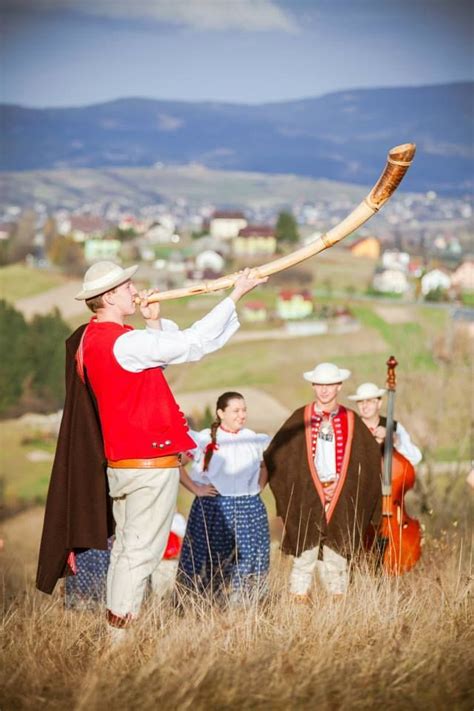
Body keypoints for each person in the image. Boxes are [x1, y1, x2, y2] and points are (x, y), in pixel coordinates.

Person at [36, 260, 266, 638]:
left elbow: (151, 362)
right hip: (148, 467)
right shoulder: (123, 342)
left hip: (125, 465)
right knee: (140, 554)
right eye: (126, 286)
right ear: (108, 296)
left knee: (127, 552)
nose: (134, 289)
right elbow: (192, 343)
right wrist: (235, 294)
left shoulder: (90, 340)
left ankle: (117, 631)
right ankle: (119, 638)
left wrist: (154, 322)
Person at [264, 362, 381, 600]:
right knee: (304, 558)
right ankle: (299, 611)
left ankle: (336, 613)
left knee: (337, 558)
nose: (324, 390)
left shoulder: (351, 420)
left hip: (342, 497)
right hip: (308, 496)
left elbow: (368, 460)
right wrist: (297, 488)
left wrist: (347, 488)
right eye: (319, 385)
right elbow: (278, 454)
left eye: (329, 385)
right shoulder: (300, 417)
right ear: (313, 386)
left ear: (338, 386)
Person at [177, 392, 270, 603]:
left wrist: (259, 487)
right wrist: (196, 489)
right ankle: (202, 606)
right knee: (209, 561)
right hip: (213, 507)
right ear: (221, 413)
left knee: (251, 559)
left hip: (250, 508)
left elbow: (265, 466)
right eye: (236, 410)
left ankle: (245, 608)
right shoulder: (203, 439)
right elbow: (176, 464)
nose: (242, 415)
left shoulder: (253, 438)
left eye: (244, 410)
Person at [348, 382, 422, 466]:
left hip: (389, 478)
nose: (364, 406)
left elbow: (416, 458)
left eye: (369, 401)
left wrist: (393, 438)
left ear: (379, 403)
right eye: (360, 402)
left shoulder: (394, 427)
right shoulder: (350, 426)